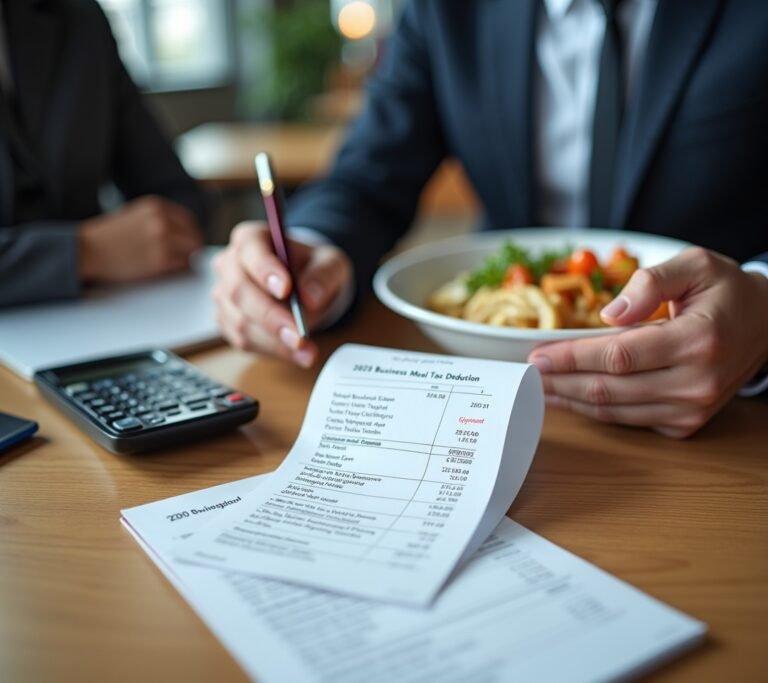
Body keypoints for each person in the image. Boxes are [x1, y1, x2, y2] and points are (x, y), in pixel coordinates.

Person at [213, 0, 768, 438]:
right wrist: (310, 255)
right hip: (491, 397)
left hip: (726, 416)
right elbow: (366, 176)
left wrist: (762, 307)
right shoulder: (445, 10)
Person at [0, 0, 207, 308]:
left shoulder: (78, 17)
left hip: (103, 316)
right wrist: (86, 251)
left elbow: (176, 195)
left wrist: (158, 234)